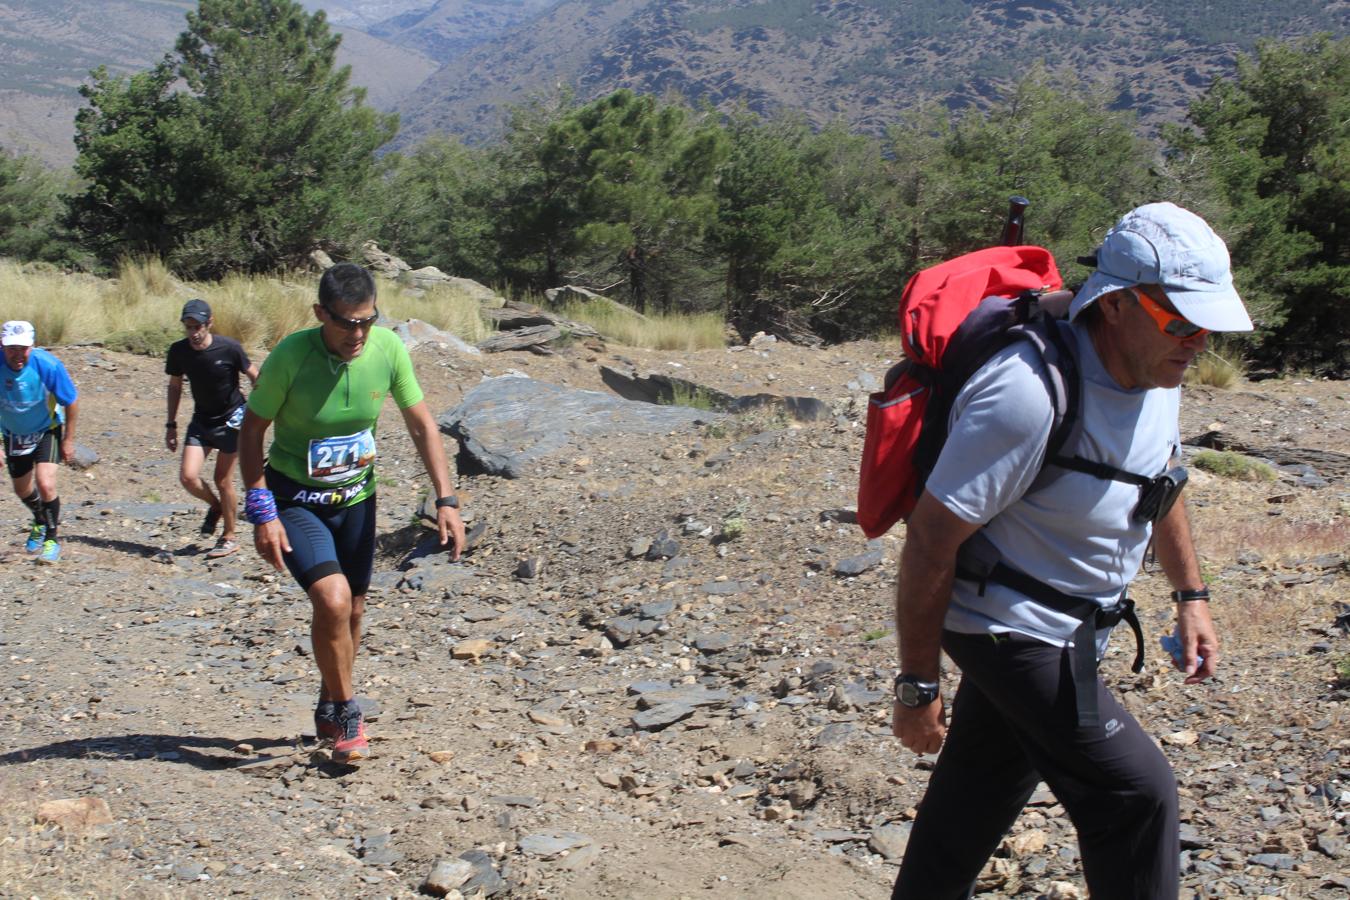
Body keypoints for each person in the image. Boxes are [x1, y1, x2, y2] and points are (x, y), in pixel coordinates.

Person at [890, 203, 1252, 899]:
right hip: (1009, 628)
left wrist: (1191, 597)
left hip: (1077, 625)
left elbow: (1162, 481)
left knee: (976, 797)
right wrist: (917, 687)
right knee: (1135, 797)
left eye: (1208, 323)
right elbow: (932, 540)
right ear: (1114, 305)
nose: (1199, 340)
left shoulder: (1155, 372)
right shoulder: (1026, 396)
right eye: (1182, 320)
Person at [240, 262, 465, 764]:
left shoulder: (387, 349)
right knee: (334, 600)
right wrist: (262, 512)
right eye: (345, 322)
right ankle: (346, 711)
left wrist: (446, 501)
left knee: (355, 609)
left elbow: (423, 426)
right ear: (320, 313)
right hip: (296, 498)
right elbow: (252, 431)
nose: (358, 333)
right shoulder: (291, 356)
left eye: (367, 320)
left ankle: (329, 696)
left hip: (356, 499)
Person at [165, 298, 260, 559]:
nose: (194, 333)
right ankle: (217, 506)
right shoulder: (179, 351)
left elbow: (255, 376)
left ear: (210, 323)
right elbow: (175, 386)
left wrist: (259, 413)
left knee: (222, 479)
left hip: (232, 420)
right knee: (188, 477)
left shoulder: (229, 348)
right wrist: (171, 424)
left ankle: (229, 536)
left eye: (198, 327)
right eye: (188, 327)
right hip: (202, 420)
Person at [0, 320, 80, 564]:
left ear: (32, 346)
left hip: (47, 429)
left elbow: (71, 402)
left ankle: (51, 540)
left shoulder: (48, 365)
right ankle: (40, 519)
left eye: (22, 348)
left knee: (45, 483)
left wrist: (68, 440)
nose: (17, 354)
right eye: (11, 348)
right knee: (22, 489)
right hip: (13, 433)